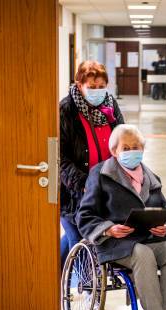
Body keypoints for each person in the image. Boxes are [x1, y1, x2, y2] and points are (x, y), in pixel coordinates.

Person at [75, 124, 166, 310]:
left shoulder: (150, 177)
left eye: (136, 147)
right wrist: (109, 229)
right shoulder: (100, 174)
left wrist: (164, 226)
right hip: (116, 243)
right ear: (114, 151)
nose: (131, 151)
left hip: (148, 239)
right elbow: (84, 215)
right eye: (125, 147)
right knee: (143, 254)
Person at [59, 61, 124, 269]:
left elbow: (121, 138)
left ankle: (54, 275)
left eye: (101, 87)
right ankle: (87, 291)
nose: (97, 92)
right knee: (80, 239)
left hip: (105, 186)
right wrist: (83, 183)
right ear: (79, 85)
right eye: (91, 87)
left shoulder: (110, 105)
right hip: (75, 191)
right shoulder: (66, 110)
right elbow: (60, 157)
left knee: (77, 240)